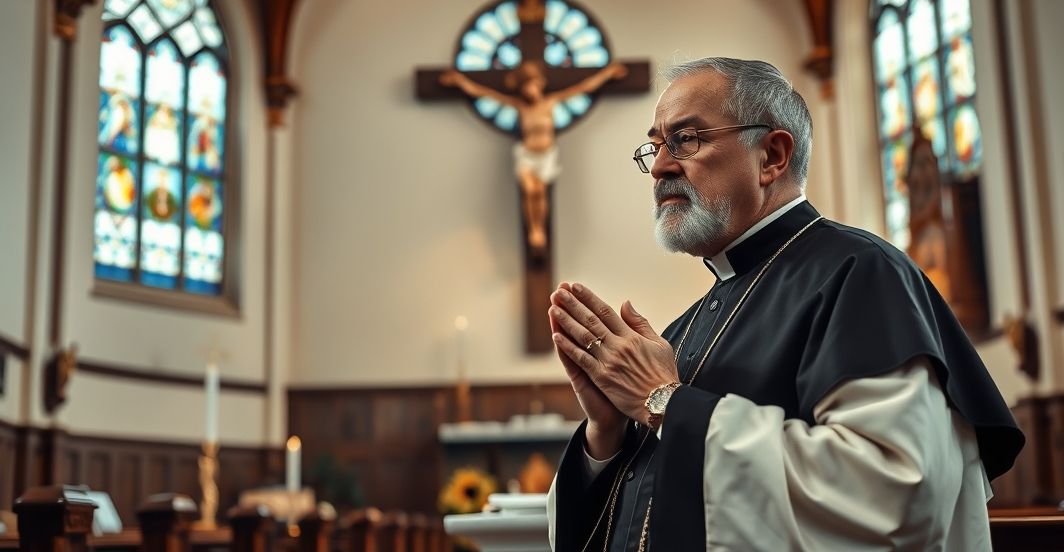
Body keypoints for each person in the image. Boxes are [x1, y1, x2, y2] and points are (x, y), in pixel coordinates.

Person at [545, 58, 1023, 551]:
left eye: (687, 139)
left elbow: (893, 495)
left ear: (771, 155)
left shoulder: (859, 274)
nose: (661, 165)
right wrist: (607, 432)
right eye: (656, 145)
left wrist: (665, 401)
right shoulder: (686, 325)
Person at [440, 60, 628, 258]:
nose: (530, 91)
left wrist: (607, 74)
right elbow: (483, 93)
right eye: (526, 87)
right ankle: (535, 230)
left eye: (534, 85)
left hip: (546, 156)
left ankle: (539, 228)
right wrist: (459, 81)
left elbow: (583, 88)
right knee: (530, 190)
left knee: (539, 192)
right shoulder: (520, 107)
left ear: (539, 85)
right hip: (527, 155)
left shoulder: (550, 102)